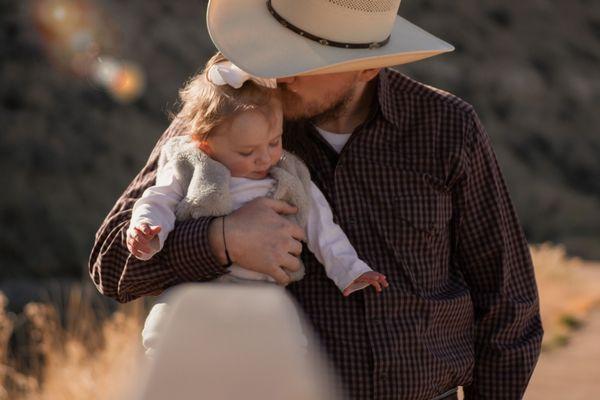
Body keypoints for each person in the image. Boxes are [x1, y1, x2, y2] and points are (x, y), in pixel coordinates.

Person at [89, 0, 543, 399]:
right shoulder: (229, 115)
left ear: (369, 66)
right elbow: (111, 266)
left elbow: (509, 301)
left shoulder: (448, 128)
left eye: (302, 61)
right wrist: (221, 239)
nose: (279, 73)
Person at [126, 54, 388, 355]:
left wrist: (351, 270)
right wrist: (147, 230)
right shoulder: (190, 161)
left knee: (286, 342)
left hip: (263, 292)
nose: (264, 158)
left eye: (274, 143)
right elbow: (157, 199)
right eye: (247, 151)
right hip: (195, 288)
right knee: (168, 329)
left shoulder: (289, 177)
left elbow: (323, 228)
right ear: (205, 143)